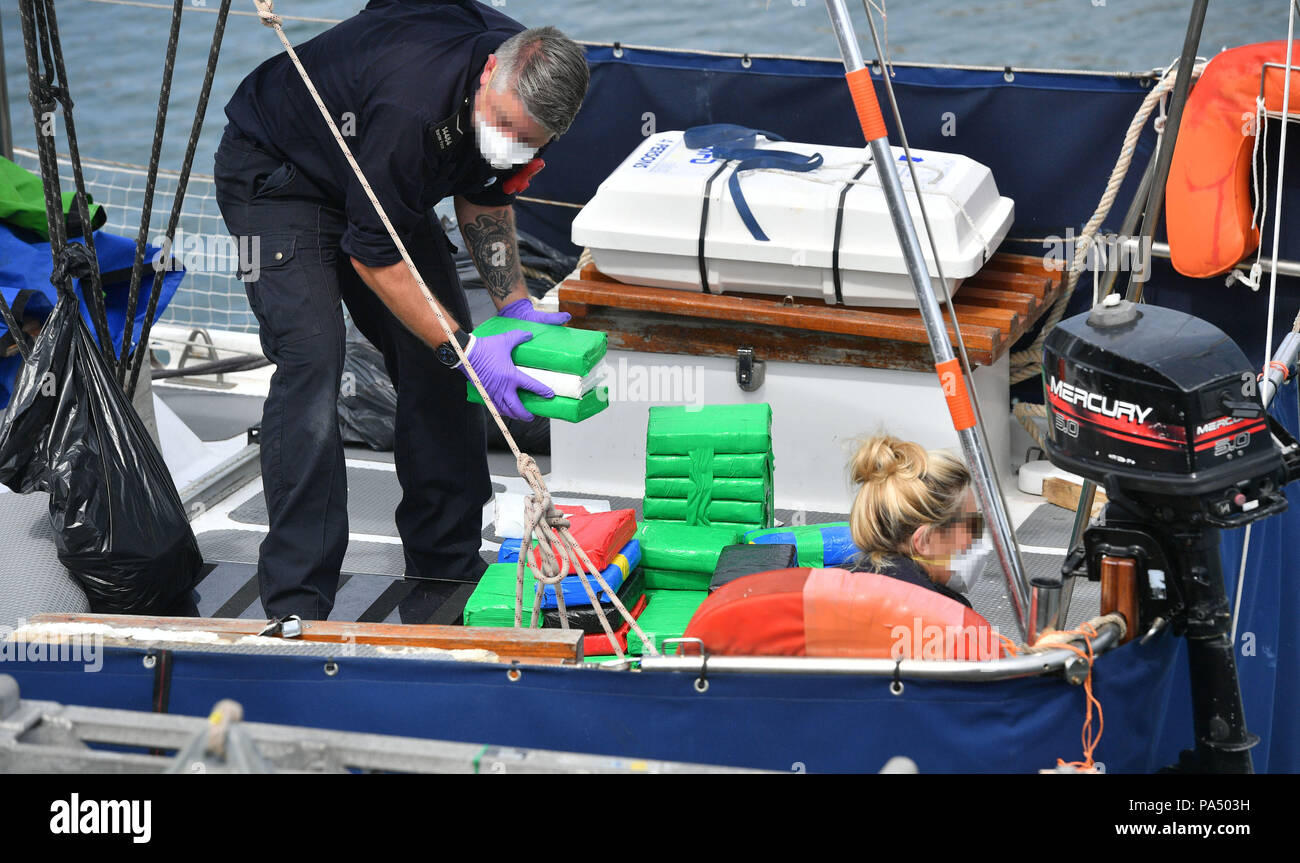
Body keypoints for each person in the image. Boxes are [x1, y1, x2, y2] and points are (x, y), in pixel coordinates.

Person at [212, 0, 590, 620]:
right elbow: (371, 252)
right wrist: (464, 350)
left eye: (526, 140)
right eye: (501, 123)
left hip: (385, 179)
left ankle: (446, 561)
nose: (509, 144)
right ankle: (295, 600)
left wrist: (515, 304)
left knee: (436, 364)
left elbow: (483, 192)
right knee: (313, 360)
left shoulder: (513, 85)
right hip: (276, 177)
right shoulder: (411, 103)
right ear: (489, 71)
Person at [845, 435, 988, 609]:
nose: (978, 536)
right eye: (970, 526)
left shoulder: (839, 585)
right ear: (925, 541)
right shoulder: (943, 621)